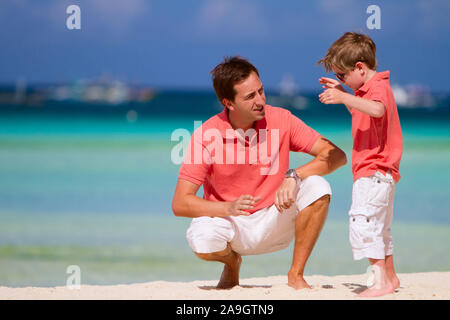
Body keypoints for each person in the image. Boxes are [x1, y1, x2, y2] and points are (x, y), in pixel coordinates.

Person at [172, 56, 347, 290]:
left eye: (261, 91)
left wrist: (294, 175)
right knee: (202, 241)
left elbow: (336, 155)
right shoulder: (205, 136)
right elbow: (180, 203)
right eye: (250, 96)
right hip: (231, 225)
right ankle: (232, 263)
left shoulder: (281, 119)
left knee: (318, 186)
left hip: (275, 217)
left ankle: (295, 275)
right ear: (229, 103)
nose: (260, 101)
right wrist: (227, 207)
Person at [317, 32, 403, 297]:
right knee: (380, 229)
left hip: (373, 171)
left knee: (363, 224)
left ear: (360, 68)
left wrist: (344, 97)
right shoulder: (368, 90)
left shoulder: (378, 87)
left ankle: (381, 282)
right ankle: (390, 277)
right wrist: (344, 93)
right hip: (381, 174)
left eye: (343, 76)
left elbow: (376, 110)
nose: (342, 81)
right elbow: (363, 111)